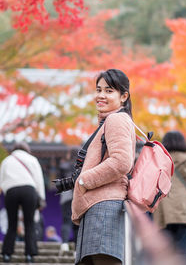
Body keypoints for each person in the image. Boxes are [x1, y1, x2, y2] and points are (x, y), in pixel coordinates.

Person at [71, 69, 136, 265]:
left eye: (109, 91)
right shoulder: (110, 121)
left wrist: (84, 181)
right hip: (99, 207)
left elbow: (122, 161)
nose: (101, 95)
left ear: (124, 96)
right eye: (98, 89)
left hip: (104, 208)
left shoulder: (116, 119)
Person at [153, 131, 186, 262]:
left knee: (165, 253)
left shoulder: (160, 159)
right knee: (183, 252)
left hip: (163, 212)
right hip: (184, 211)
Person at [0, 141, 46, 263]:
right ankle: (30, 255)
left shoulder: (6, 160)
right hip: (28, 190)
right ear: (26, 149)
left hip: (11, 191)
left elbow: (1, 180)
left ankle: (6, 254)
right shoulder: (32, 159)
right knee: (29, 223)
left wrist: (7, 190)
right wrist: (41, 198)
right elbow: (39, 179)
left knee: (12, 223)